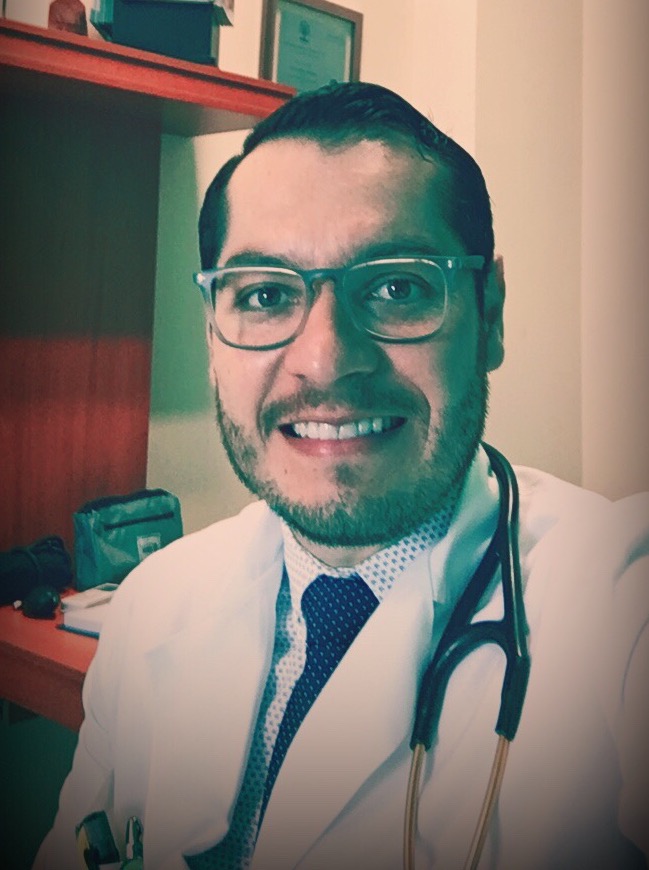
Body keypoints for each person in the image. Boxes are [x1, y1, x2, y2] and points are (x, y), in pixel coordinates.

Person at [36, 82, 648, 870]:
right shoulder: (152, 606)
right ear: (213, 335)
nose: (324, 360)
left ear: (489, 313)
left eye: (395, 288)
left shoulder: (616, 610)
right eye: (264, 295)